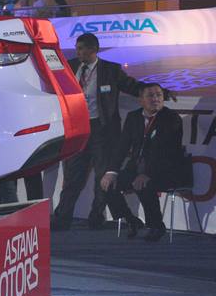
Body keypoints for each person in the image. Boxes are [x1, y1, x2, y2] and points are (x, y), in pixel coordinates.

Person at [52, 33, 173, 231]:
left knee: (102, 176)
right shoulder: (70, 66)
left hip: (102, 130)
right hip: (77, 129)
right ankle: (61, 218)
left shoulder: (110, 69)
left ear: (93, 49)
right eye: (77, 48)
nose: (77, 52)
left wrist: (161, 92)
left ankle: (96, 217)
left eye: (81, 48)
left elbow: (133, 86)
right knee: (73, 177)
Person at [101, 83, 185, 241]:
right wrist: (111, 171)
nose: (156, 99)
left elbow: (167, 151)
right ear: (141, 100)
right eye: (151, 96)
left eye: (159, 95)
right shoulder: (133, 117)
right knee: (107, 184)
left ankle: (156, 226)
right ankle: (131, 220)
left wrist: (147, 173)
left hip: (164, 169)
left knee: (143, 184)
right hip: (136, 168)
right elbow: (122, 147)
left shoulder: (171, 118)